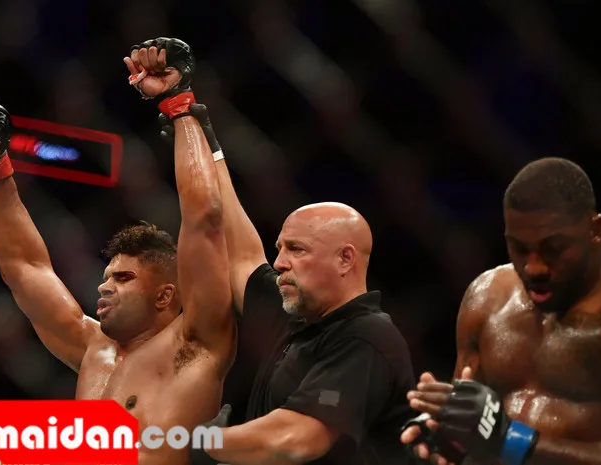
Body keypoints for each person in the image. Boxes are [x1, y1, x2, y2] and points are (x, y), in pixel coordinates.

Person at [0, 37, 236, 465]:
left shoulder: (195, 346)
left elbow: (205, 218)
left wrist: (179, 104)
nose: (104, 287)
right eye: (107, 277)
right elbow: (24, 267)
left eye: (123, 279)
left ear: (165, 295)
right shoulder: (93, 347)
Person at [158, 102, 416, 464]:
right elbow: (240, 253)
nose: (279, 262)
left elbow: (295, 438)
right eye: (279, 248)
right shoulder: (293, 314)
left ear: (345, 259)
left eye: (296, 249)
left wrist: (198, 441)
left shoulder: (367, 337)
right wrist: (205, 145)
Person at [400, 157, 601, 465]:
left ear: (595, 229)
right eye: (519, 248)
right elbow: (473, 422)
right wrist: (439, 435)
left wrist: (510, 441)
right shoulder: (486, 298)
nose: (534, 267)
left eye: (553, 248)